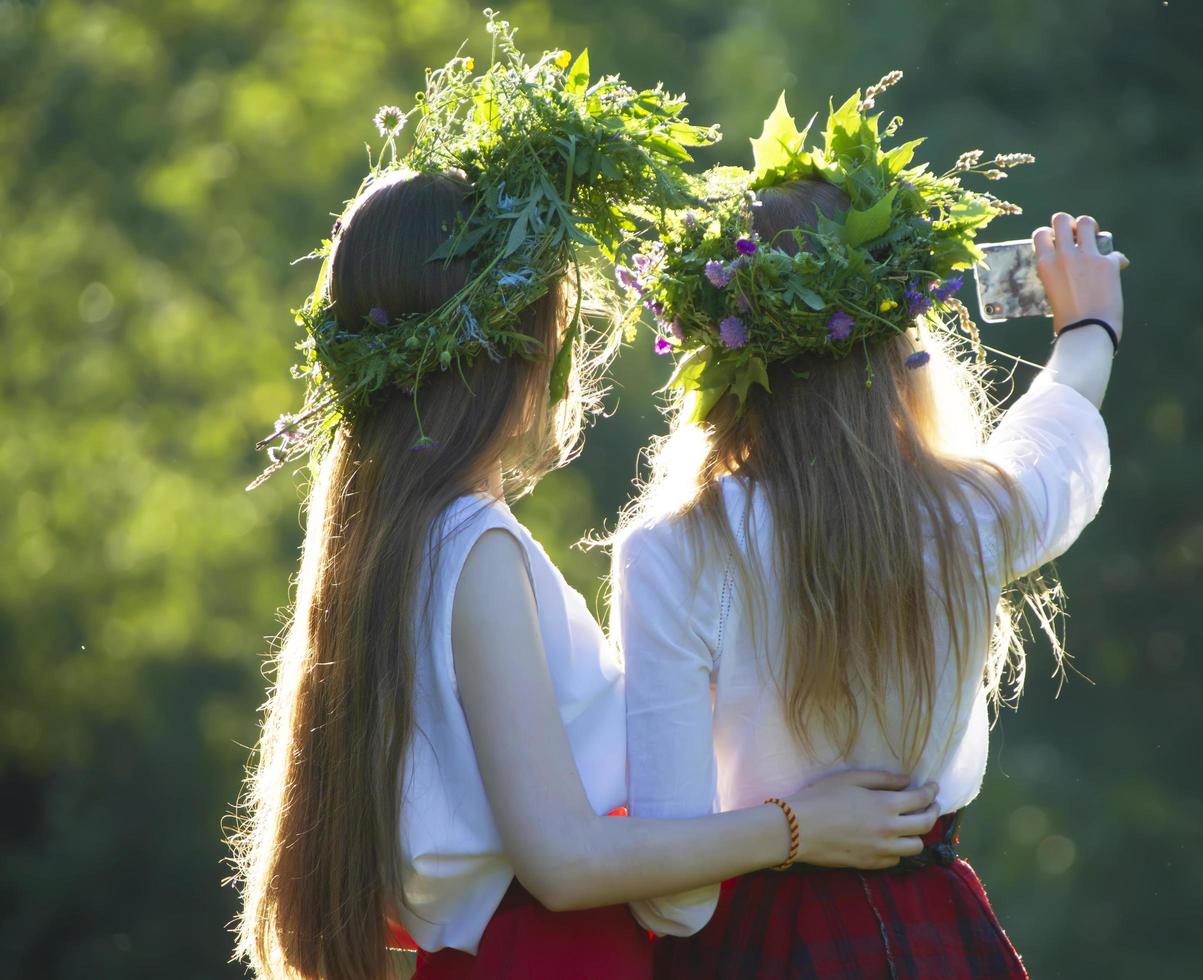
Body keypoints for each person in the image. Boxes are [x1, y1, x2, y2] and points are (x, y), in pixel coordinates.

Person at [228, 30, 937, 980]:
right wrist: (800, 826)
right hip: (557, 955)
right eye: (556, 333)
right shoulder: (472, 548)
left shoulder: (400, 540)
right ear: (511, 352)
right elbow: (562, 862)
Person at [613, 83, 1128, 977]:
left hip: (756, 945)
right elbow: (1056, 437)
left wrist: (787, 832)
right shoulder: (969, 513)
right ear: (898, 347)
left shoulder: (671, 550)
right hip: (936, 929)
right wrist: (1088, 324)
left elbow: (675, 896)